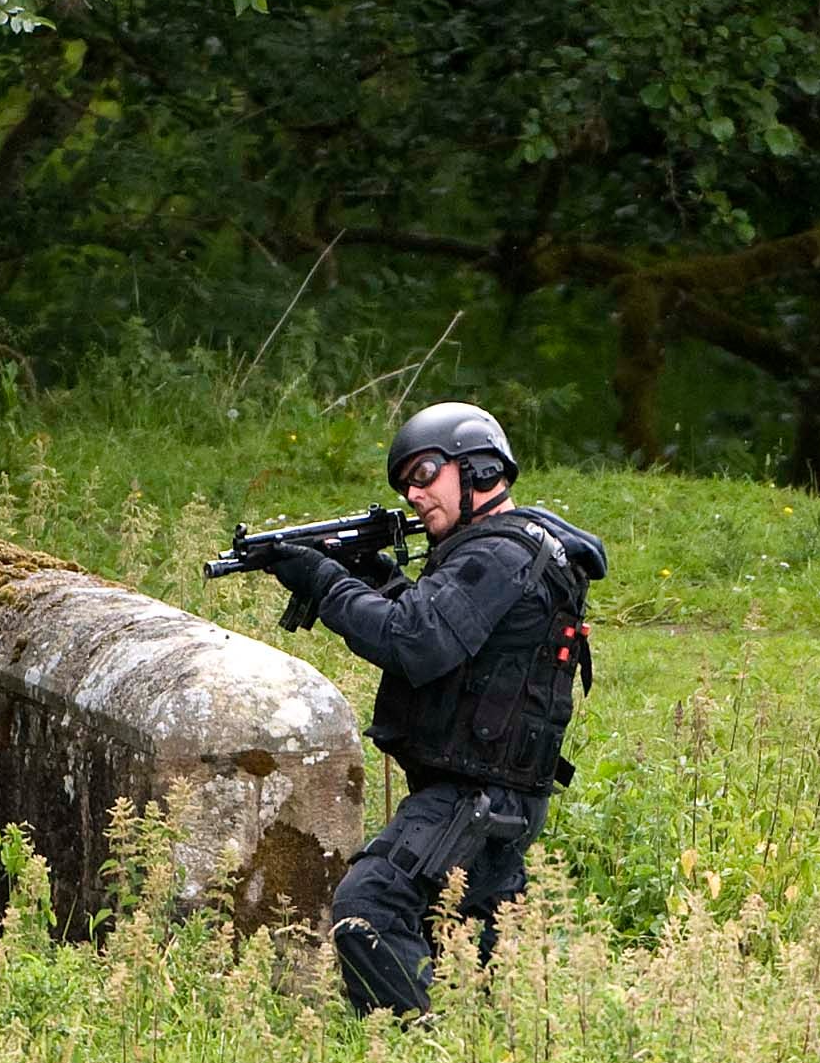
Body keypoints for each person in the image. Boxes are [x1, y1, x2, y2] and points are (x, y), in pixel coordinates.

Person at [251, 402, 608, 1015]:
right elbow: (445, 632)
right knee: (475, 962)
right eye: (405, 483)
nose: (413, 494)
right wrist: (371, 574)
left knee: (370, 909)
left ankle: (419, 1056)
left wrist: (325, 583)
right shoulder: (500, 551)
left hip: (475, 796)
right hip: (493, 791)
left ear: (479, 468)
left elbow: (414, 642)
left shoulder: (498, 555)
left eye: (424, 474)